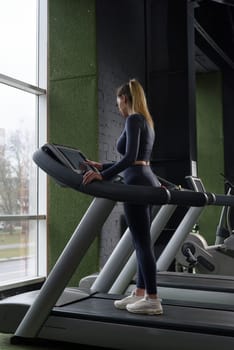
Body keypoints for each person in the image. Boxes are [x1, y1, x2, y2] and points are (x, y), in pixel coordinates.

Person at [82, 78, 163, 315]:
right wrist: (102, 164)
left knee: (141, 243)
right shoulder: (146, 121)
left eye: (118, 102)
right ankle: (140, 292)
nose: (118, 107)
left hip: (136, 183)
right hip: (144, 179)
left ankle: (153, 298)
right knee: (141, 241)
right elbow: (136, 160)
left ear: (124, 99)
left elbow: (128, 159)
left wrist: (103, 175)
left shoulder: (133, 119)